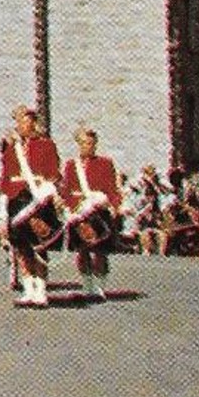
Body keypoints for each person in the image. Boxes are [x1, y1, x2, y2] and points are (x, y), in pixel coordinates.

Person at [0, 104, 61, 308]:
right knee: (21, 247)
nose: (22, 126)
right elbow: (6, 175)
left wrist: (47, 187)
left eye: (26, 121)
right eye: (19, 122)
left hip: (37, 198)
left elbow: (53, 172)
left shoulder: (46, 144)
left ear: (33, 123)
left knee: (39, 245)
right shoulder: (11, 147)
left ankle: (41, 290)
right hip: (17, 199)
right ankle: (28, 290)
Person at [60, 126, 121, 300]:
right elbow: (66, 191)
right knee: (82, 250)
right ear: (79, 144)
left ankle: (99, 287)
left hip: (98, 210)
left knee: (100, 250)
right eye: (85, 143)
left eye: (92, 143)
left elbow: (111, 189)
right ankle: (87, 286)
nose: (89, 146)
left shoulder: (105, 163)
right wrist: (74, 204)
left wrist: (114, 205)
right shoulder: (72, 165)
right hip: (79, 211)